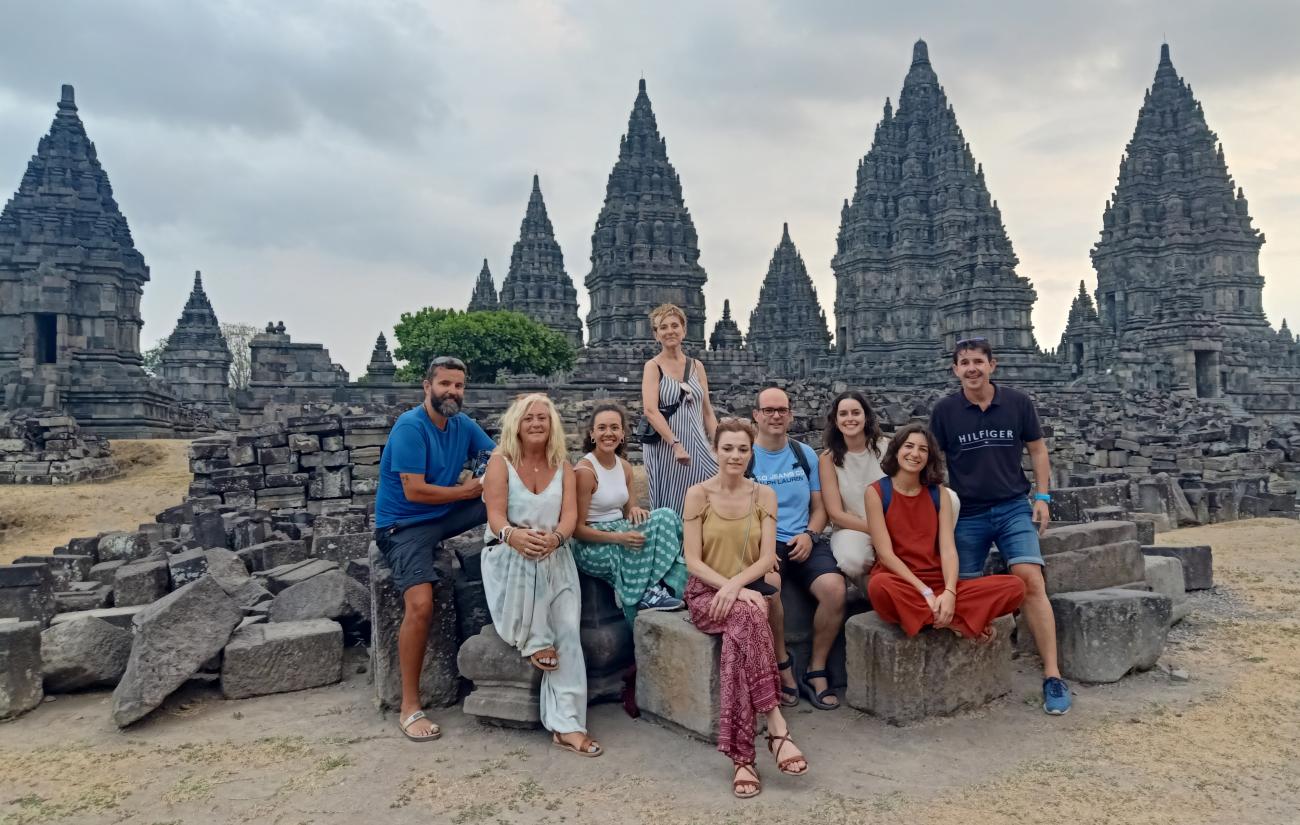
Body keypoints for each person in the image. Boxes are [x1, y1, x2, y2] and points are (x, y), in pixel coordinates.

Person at [930, 337, 1072, 715]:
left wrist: (1042, 497)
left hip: (1012, 506)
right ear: (955, 369)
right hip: (967, 512)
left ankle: (1052, 675)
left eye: (978, 361)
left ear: (993, 364)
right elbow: (931, 460)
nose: (972, 368)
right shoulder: (945, 411)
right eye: (964, 362)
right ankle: (977, 674)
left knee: (1030, 578)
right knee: (965, 590)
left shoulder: (1018, 403)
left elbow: (1037, 449)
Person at [681, 418, 808, 799]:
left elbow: (767, 556)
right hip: (707, 593)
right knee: (751, 612)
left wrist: (738, 588)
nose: (735, 455)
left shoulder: (763, 495)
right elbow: (692, 561)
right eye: (727, 448)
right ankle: (777, 726)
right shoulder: (698, 494)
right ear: (715, 451)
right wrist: (731, 589)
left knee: (747, 620)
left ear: (750, 452)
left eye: (742, 449)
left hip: (743, 590)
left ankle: (742, 759)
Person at [373, 355, 495, 742]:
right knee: (422, 604)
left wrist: (483, 475)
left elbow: (497, 458)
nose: (452, 392)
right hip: (403, 526)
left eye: (458, 386)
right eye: (444, 384)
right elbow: (415, 489)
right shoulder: (411, 427)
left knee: (502, 495)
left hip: (443, 516)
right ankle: (410, 705)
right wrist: (467, 490)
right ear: (427, 386)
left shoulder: (462, 425)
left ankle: (514, 547)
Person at [481, 393, 601, 757]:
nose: (536, 424)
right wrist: (514, 536)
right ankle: (535, 638)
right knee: (528, 552)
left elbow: (568, 518)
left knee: (568, 634)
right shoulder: (500, 462)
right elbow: (496, 516)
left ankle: (569, 726)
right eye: (529, 418)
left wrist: (557, 538)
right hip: (508, 557)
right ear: (516, 424)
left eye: (543, 419)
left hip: (555, 555)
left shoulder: (562, 465)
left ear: (552, 426)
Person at [864, 424, 1025, 640]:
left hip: (938, 582)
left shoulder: (939, 494)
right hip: (902, 582)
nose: (915, 454)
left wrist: (949, 593)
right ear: (896, 450)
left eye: (923, 449)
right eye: (909, 446)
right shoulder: (876, 492)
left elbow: (948, 550)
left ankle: (927, 617)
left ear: (929, 457)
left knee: (1015, 587)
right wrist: (925, 592)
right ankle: (958, 621)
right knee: (879, 586)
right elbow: (885, 555)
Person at [749, 387, 846, 711]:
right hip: (764, 541)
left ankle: (816, 668)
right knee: (770, 589)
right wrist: (763, 548)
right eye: (769, 410)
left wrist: (809, 534)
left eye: (782, 410)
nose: (776, 416)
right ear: (757, 415)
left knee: (834, 588)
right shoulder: (745, 457)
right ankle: (783, 666)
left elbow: (820, 508)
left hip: (803, 538)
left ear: (790, 415)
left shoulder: (804, 454)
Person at [571, 402, 688, 624]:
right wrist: (619, 538)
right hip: (593, 545)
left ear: (623, 433)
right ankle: (646, 593)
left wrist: (635, 510)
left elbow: (630, 513)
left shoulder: (624, 466)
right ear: (592, 434)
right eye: (602, 428)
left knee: (666, 516)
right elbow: (576, 530)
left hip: (620, 531)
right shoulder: (585, 471)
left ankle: (664, 587)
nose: (609, 433)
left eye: (614, 428)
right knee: (636, 543)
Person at [640, 303, 719, 514]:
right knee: (672, 506)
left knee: (712, 495)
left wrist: (721, 445)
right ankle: (674, 547)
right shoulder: (652, 367)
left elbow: (707, 412)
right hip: (667, 447)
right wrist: (675, 444)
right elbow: (650, 411)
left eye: (675, 325)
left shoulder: (696, 366)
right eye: (662, 327)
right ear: (656, 335)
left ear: (684, 330)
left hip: (698, 444)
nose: (669, 331)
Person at [817, 390, 889, 585]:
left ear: (866, 416)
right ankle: (871, 588)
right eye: (843, 414)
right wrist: (878, 532)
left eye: (856, 413)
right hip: (853, 526)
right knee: (852, 560)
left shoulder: (887, 448)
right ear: (835, 420)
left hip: (891, 522)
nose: (850, 419)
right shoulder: (827, 459)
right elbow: (835, 513)